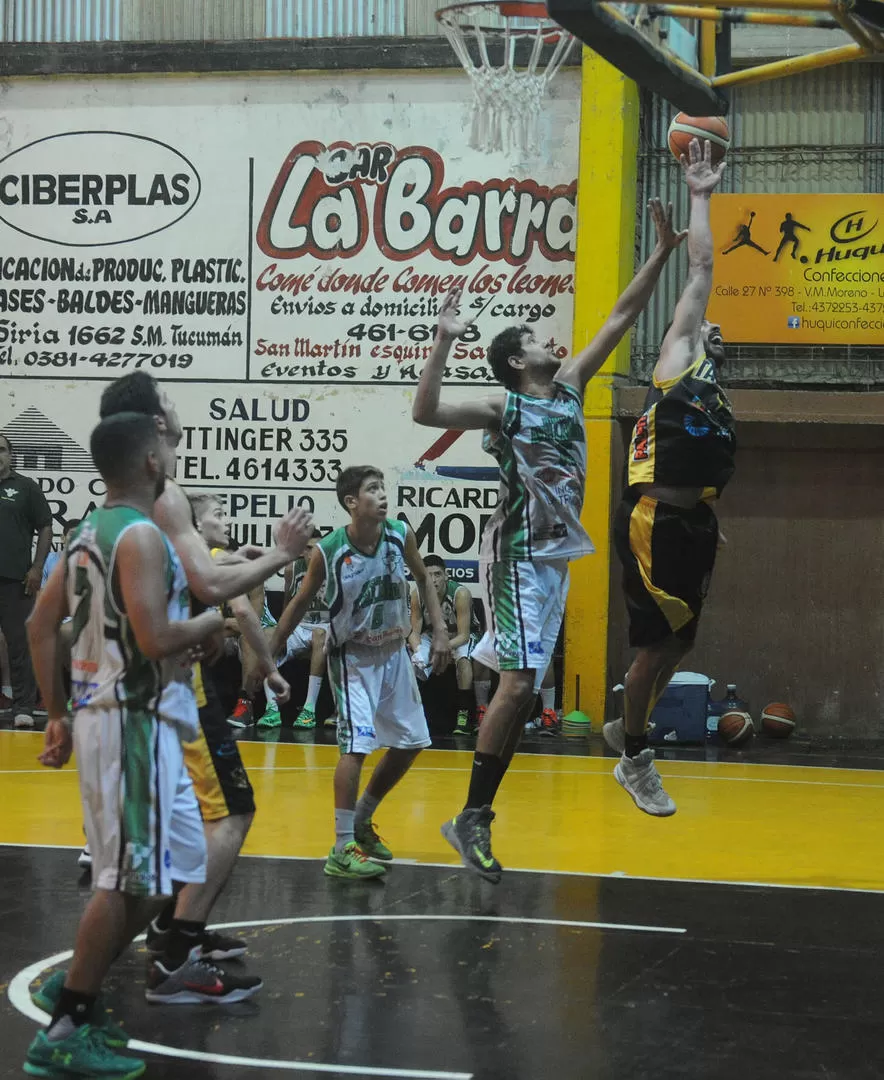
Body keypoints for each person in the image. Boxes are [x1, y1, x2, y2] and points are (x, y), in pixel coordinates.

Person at [412, 197, 686, 883]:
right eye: (533, 336)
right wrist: (444, 337)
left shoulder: (567, 388)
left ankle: (473, 815)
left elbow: (621, 317)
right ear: (514, 360)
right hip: (515, 556)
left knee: (523, 691)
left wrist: (661, 251)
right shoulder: (509, 404)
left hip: (554, 559)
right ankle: (474, 816)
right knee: (519, 683)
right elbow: (426, 411)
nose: (548, 340)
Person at [97, 372, 313, 998]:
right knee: (231, 814)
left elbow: (193, 582)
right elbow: (213, 585)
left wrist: (204, 619)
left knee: (189, 825)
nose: (175, 406)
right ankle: (174, 949)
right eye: (167, 400)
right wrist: (282, 553)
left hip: (152, 682)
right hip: (167, 689)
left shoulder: (141, 500)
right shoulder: (164, 495)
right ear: (155, 425)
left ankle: (173, 926)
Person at [24, 412, 225, 1078]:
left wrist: (56, 712)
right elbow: (155, 640)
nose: (174, 450)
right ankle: (67, 1023)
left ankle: (75, 987)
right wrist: (209, 619)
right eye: (167, 443)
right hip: (127, 718)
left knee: (158, 873)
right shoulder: (138, 535)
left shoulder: (86, 531)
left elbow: (37, 624)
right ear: (148, 461)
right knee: (122, 882)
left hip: (116, 717)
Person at [606, 138, 734, 816]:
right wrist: (702, 195)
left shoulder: (714, 393)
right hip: (654, 520)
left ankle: (626, 719)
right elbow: (704, 265)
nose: (710, 323)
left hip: (693, 522)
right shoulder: (679, 353)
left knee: (682, 640)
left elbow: (704, 460)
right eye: (703, 318)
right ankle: (633, 755)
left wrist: (715, 516)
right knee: (658, 647)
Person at [270, 465, 450, 879]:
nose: (383, 495)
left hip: (394, 653)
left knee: (411, 742)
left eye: (383, 487)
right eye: (373, 489)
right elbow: (298, 603)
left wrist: (439, 631)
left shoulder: (400, 534)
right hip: (353, 657)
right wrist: (270, 653)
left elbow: (422, 579)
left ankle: (364, 820)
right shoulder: (330, 550)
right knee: (356, 747)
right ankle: (341, 846)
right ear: (352, 502)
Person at [0, 432, 53, 729]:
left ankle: (23, 706)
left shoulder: (26, 488)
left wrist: (36, 567)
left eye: (2, 450)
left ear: (10, 455)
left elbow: (45, 525)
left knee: (20, 645)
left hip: (15, 579)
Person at [257, 534, 330, 730]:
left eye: (313, 548)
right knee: (268, 637)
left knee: (319, 635)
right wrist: (281, 633)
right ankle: (271, 709)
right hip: (299, 626)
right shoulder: (293, 569)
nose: (308, 552)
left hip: (326, 627)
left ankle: (309, 710)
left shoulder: (334, 568)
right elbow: (287, 604)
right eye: (305, 548)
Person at [408, 554, 482, 735]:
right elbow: (414, 631)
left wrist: (442, 648)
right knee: (413, 661)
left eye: (437, 574)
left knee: (463, 660)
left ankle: (463, 714)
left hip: (460, 636)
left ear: (446, 575)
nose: (433, 580)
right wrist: (419, 651)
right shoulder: (417, 593)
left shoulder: (460, 593)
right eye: (429, 575)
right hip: (433, 635)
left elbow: (464, 635)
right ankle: (412, 714)